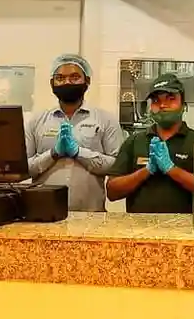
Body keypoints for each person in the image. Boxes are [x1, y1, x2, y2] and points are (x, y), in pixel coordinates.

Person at [25, 54, 123, 211]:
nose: (67, 82)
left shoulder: (106, 120)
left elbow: (116, 166)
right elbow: (24, 168)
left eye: (75, 77)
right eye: (60, 78)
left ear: (87, 81)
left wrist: (79, 153)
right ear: (52, 83)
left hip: (91, 215)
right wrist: (52, 154)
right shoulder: (36, 121)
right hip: (43, 213)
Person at [106, 73, 194, 213]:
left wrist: (171, 169)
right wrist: (146, 171)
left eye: (170, 99)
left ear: (183, 105)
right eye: (156, 100)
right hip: (139, 225)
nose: (162, 105)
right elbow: (112, 192)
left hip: (185, 225)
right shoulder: (134, 141)